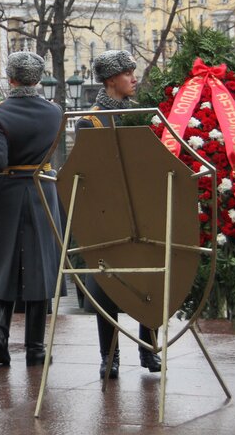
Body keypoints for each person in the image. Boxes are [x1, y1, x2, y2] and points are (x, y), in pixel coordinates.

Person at [73, 50, 161, 379]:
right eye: (127, 73)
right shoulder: (91, 120)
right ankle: (109, 356)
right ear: (111, 80)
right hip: (108, 217)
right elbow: (88, 172)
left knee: (149, 280)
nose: (134, 78)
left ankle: (149, 350)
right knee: (108, 286)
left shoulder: (141, 115)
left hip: (144, 213)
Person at [0, 51, 63, 367]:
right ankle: (36, 348)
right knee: (40, 263)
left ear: (9, 79)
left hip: (10, 190)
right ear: (37, 79)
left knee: (5, 260)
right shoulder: (54, 112)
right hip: (43, 188)